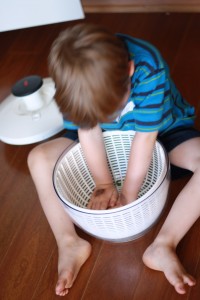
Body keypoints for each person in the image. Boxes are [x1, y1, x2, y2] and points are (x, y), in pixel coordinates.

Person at [27, 23, 200, 296]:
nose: (109, 118)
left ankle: (163, 244)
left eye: (113, 109)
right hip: (103, 141)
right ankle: (68, 242)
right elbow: (88, 131)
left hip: (163, 133)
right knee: (38, 158)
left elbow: (145, 139)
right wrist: (104, 183)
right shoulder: (75, 82)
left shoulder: (149, 67)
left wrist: (128, 193)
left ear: (130, 71)